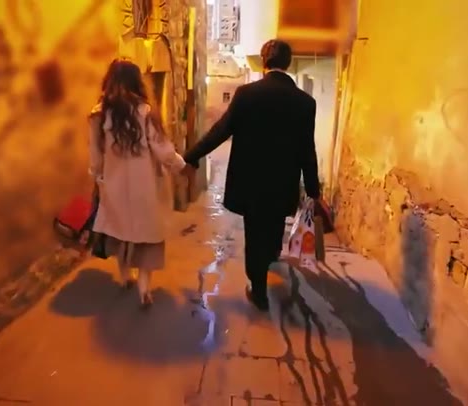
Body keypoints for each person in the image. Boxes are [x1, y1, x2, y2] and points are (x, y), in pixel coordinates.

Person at [182, 39, 321, 311]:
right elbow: (308, 149)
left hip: (251, 183)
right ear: (288, 63)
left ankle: (259, 290)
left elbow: (220, 131)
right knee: (274, 226)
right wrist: (314, 190)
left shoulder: (247, 94)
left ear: (264, 61)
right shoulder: (306, 103)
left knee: (255, 233)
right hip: (283, 184)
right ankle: (269, 258)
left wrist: (191, 155)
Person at [88, 58, 187, 309]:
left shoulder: (99, 114)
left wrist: (97, 176)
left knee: (120, 231)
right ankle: (144, 288)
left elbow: (95, 154)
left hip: (114, 185)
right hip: (146, 187)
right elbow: (163, 150)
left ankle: (125, 277)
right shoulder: (146, 113)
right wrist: (180, 166)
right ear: (137, 81)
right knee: (146, 236)